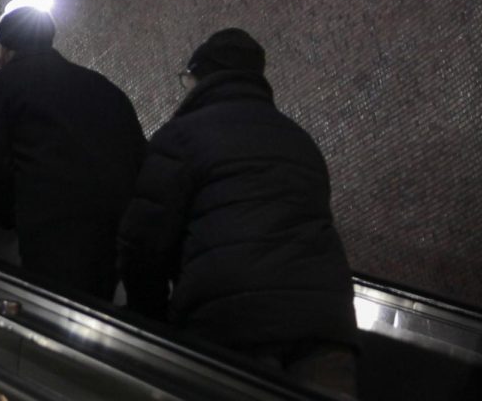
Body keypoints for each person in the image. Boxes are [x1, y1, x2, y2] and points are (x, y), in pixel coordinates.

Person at [117, 28, 358, 399]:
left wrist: (151, 322)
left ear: (199, 77)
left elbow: (144, 243)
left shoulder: (181, 137)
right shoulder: (299, 139)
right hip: (325, 326)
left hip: (232, 327)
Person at [0, 6, 146, 301]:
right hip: (121, 225)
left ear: (5, 47)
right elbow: (136, 151)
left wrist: (9, 216)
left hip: (53, 228)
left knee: (62, 314)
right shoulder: (101, 86)